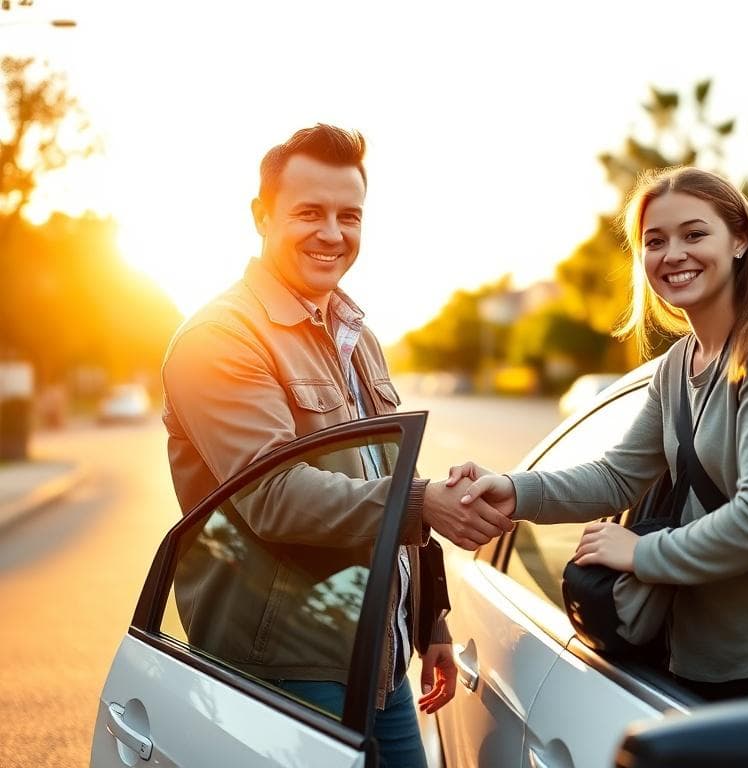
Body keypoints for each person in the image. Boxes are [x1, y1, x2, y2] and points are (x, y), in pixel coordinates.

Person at [162, 123, 513, 766]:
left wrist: (428, 612)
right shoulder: (220, 337)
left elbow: (387, 472)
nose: (332, 233)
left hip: (377, 652)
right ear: (261, 217)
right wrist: (426, 502)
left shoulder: (355, 333)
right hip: (289, 664)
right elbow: (273, 495)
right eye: (308, 213)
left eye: (348, 215)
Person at [448, 166, 748, 701]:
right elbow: (619, 477)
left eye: (695, 234)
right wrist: (514, 488)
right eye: (655, 241)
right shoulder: (677, 365)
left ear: (740, 240)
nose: (673, 254)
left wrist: (639, 553)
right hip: (693, 663)